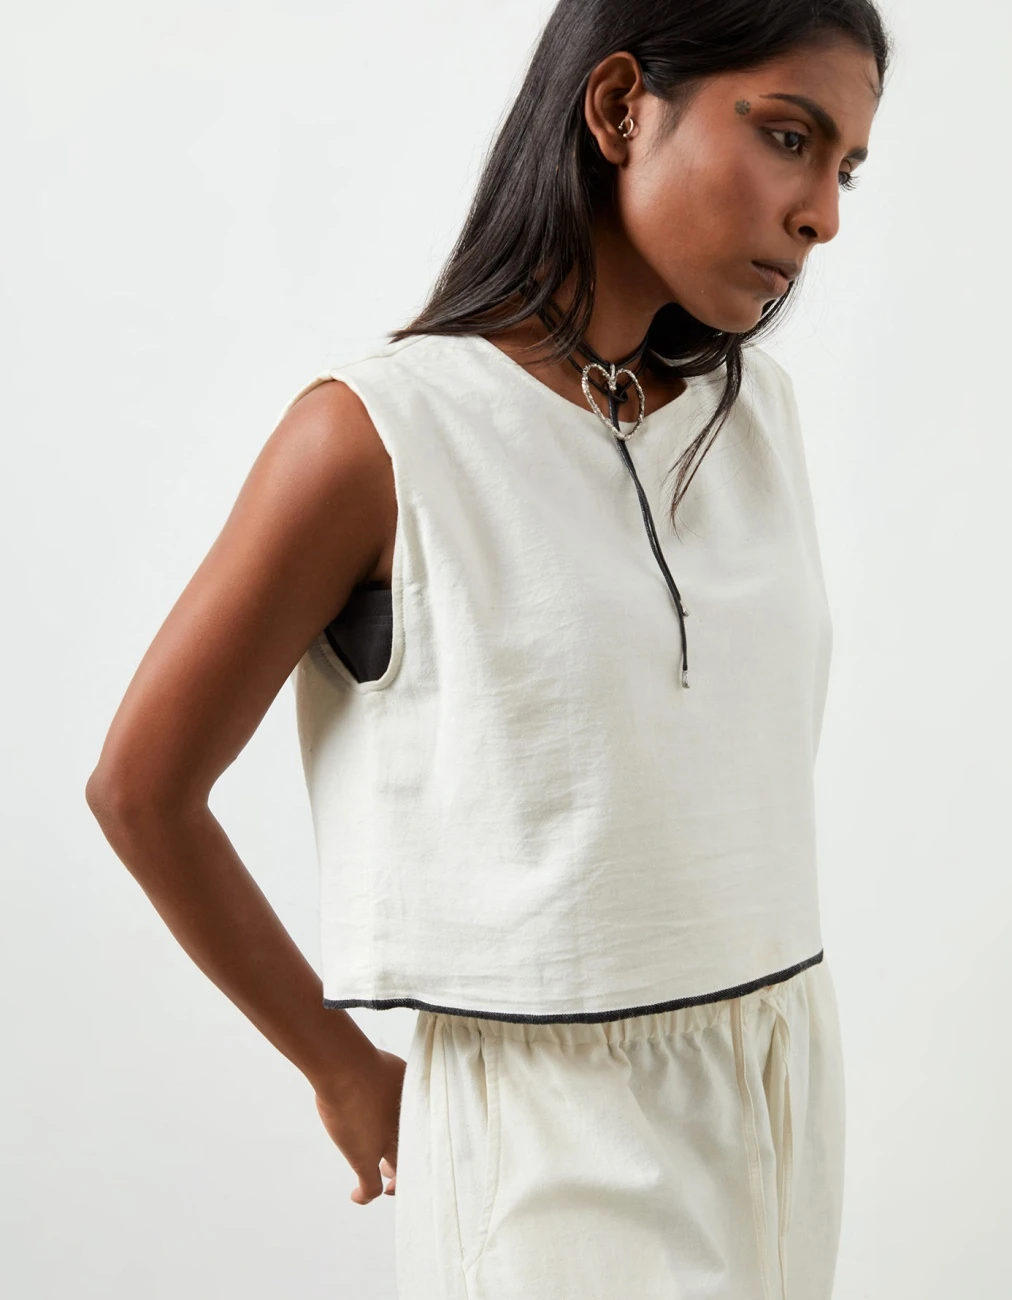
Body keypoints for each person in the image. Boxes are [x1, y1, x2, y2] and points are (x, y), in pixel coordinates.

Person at [85, 1, 891, 1296]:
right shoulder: (379, 437)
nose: (824, 216)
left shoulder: (758, 418)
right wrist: (339, 1069)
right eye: (789, 137)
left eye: (847, 167)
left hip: (783, 1074)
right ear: (621, 107)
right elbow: (141, 789)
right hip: (547, 1128)